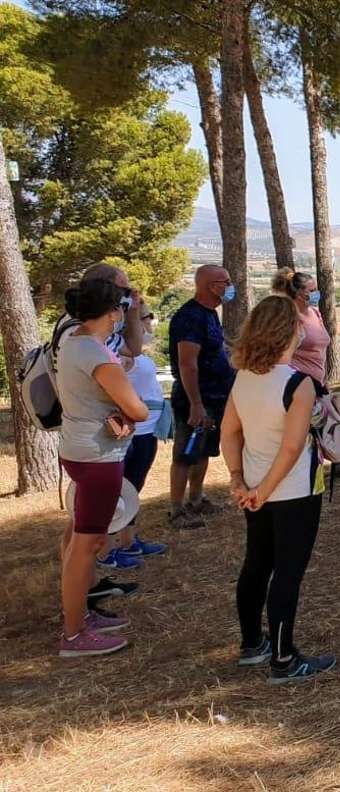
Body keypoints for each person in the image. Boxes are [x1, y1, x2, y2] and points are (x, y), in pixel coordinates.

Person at [223, 295, 336, 683]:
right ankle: (285, 659)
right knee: (288, 573)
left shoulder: (244, 377)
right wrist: (266, 489)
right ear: (291, 332)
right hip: (293, 492)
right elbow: (292, 447)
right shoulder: (298, 384)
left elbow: (229, 432)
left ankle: (253, 643)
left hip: (254, 487)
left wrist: (241, 481)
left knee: (256, 565)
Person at [55, 278, 148, 657]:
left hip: (79, 449)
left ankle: (77, 617)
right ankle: (74, 634)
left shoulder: (73, 341)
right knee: (88, 542)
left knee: (80, 536)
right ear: (113, 312)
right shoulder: (95, 354)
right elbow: (138, 409)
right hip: (98, 457)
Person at [273, 270, 340, 480]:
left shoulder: (314, 314)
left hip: (319, 380)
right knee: (311, 427)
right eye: (312, 290)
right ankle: (310, 468)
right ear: (298, 293)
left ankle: (338, 460)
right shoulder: (291, 318)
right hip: (301, 383)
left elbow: (321, 347)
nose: (317, 293)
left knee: (330, 421)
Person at [169, 264, 238, 529]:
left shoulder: (210, 314)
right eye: (226, 281)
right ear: (211, 286)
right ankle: (176, 510)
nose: (230, 285)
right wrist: (196, 404)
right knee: (186, 452)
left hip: (216, 396)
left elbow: (217, 347)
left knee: (204, 450)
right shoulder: (190, 318)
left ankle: (196, 499)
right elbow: (188, 364)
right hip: (196, 398)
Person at [108, 306, 169, 565]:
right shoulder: (121, 356)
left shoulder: (135, 354)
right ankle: (109, 547)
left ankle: (128, 540)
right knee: (120, 490)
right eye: (147, 317)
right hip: (133, 433)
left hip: (146, 431)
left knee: (134, 488)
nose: (150, 323)